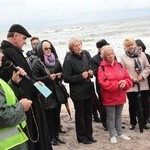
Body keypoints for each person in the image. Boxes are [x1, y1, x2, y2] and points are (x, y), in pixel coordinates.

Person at [0, 24, 53, 150]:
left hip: (27, 101)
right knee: (33, 136)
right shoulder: (8, 52)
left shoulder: (14, 51)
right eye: (24, 38)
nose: (25, 42)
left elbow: (24, 77)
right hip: (23, 103)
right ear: (15, 35)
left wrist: (35, 83)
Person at [32, 40, 66, 146]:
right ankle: (51, 138)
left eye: (49, 48)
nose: (48, 50)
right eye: (45, 48)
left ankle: (56, 136)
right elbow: (34, 79)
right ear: (40, 50)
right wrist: (48, 78)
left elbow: (63, 71)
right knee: (49, 117)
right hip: (45, 93)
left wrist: (60, 74)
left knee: (56, 116)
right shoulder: (37, 63)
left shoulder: (55, 60)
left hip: (56, 92)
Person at [63, 38, 96, 144]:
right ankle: (81, 137)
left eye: (79, 45)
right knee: (80, 115)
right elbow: (66, 78)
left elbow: (90, 67)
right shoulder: (69, 60)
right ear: (71, 48)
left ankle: (89, 135)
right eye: (75, 46)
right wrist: (81, 76)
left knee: (88, 114)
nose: (78, 47)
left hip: (88, 89)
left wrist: (91, 72)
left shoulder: (85, 55)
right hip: (77, 92)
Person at [98, 45, 132, 144]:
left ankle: (120, 133)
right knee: (111, 116)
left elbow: (127, 78)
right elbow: (103, 82)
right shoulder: (102, 68)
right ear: (104, 56)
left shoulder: (120, 65)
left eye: (112, 54)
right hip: (109, 97)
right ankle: (112, 135)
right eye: (108, 55)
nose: (110, 56)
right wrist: (117, 84)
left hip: (120, 95)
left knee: (118, 115)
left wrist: (125, 83)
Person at [0, 48, 32, 150]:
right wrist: (21, 107)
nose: (2, 55)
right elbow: (1, 116)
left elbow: (4, 97)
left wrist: (13, 83)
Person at [120, 38, 150, 130]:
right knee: (132, 104)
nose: (130, 46)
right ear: (125, 47)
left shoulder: (142, 55)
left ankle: (145, 121)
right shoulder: (123, 57)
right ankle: (133, 122)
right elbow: (123, 70)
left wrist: (141, 76)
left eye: (131, 44)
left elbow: (148, 67)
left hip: (143, 82)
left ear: (135, 45)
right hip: (131, 84)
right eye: (128, 45)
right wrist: (132, 78)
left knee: (145, 103)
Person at [90, 39, 110, 130]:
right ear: (99, 49)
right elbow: (95, 73)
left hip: (112, 83)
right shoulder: (94, 59)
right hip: (101, 85)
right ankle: (105, 123)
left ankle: (113, 122)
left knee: (113, 103)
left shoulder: (111, 55)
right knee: (103, 104)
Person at [135, 39, 150, 123]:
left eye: (140, 48)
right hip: (136, 81)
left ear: (143, 47)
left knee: (146, 101)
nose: (139, 50)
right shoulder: (133, 57)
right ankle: (139, 117)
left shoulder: (147, 56)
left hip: (147, 80)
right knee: (138, 101)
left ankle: (147, 117)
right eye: (137, 48)